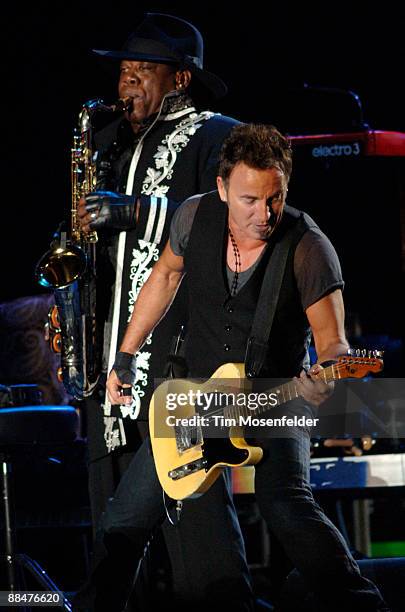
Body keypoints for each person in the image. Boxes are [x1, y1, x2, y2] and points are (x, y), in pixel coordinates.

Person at [88, 123, 389, 612]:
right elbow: (165, 275)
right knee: (124, 522)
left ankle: (363, 605)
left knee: (284, 502)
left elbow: (334, 345)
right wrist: (124, 356)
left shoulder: (309, 247)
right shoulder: (193, 215)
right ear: (224, 187)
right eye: (249, 199)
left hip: (277, 397)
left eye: (274, 198)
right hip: (200, 398)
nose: (263, 214)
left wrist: (324, 383)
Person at [75, 11, 249, 609]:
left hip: (180, 359)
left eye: (141, 72)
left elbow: (234, 224)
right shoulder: (106, 145)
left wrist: (136, 212)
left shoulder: (219, 135)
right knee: (113, 527)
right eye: (123, 73)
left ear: (180, 79)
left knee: (195, 522)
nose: (126, 85)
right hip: (107, 361)